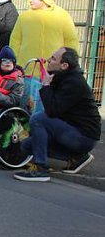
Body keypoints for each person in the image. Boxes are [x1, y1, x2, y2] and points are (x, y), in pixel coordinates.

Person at [14, 47, 101, 181]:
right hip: (70, 129)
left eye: (53, 58)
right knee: (27, 145)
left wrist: (46, 87)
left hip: (84, 136)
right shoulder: (60, 77)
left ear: (64, 65)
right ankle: (76, 157)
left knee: (38, 119)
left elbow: (52, 110)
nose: (48, 60)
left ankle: (41, 169)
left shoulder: (74, 82)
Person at [10, 0, 79, 68]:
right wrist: (13, 60)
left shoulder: (62, 16)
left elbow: (71, 40)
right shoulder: (24, 17)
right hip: (26, 68)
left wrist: (69, 61)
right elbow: (15, 40)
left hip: (54, 69)